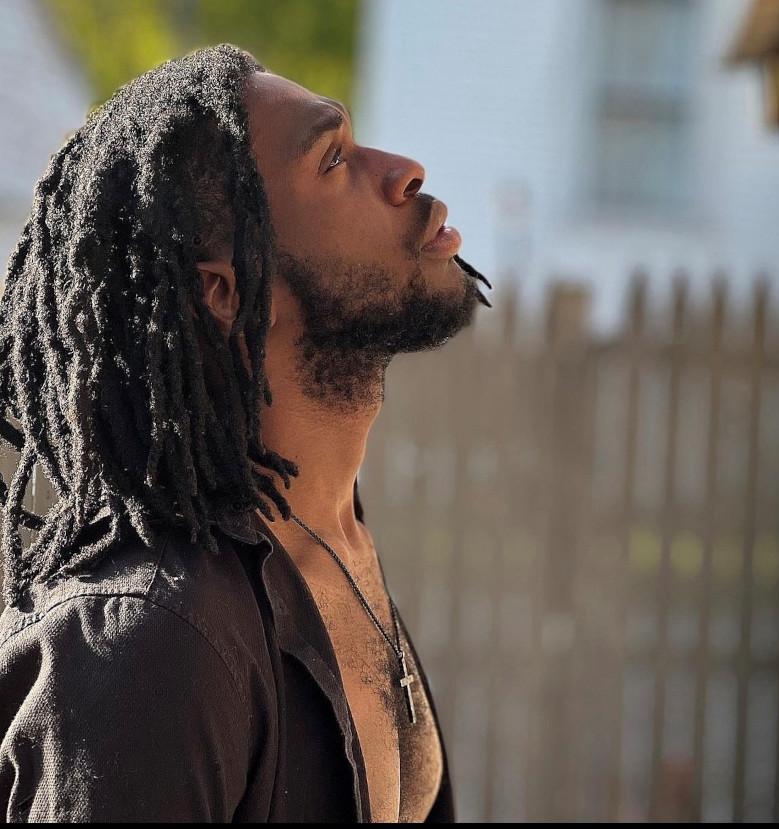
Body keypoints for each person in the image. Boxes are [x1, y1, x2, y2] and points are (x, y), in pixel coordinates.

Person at [0, 43, 492, 822]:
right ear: (225, 291)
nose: (404, 171)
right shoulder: (153, 643)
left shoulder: (336, 545)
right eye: (333, 160)